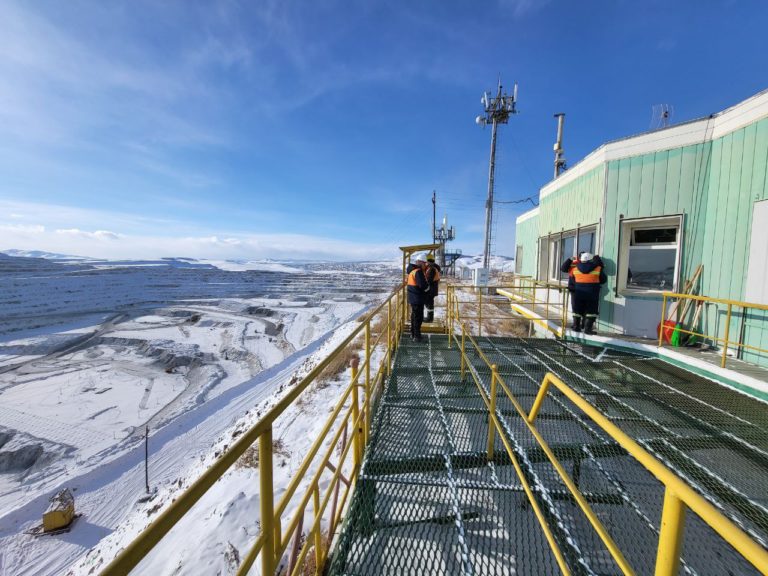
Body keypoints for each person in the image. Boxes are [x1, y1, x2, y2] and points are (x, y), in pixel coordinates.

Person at [561, 251, 607, 334]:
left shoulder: (575, 269)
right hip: (591, 292)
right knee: (591, 311)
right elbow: (603, 280)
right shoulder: (597, 267)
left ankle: (576, 327)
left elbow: (572, 278)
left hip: (578, 291)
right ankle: (587, 329)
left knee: (577, 309)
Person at [406, 257, 429, 341]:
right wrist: (428, 288)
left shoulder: (412, 271)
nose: (425, 265)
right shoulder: (418, 272)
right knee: (418, 318)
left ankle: (413, 334)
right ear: (420, 262)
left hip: (413, 297)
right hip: (417, 298)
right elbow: (423, 286)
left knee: (414, 316)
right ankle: (417, 336)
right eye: (424, 263)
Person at [423, 252, 441, 323]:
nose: (425, 263)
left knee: (429, 304)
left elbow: (428, 280)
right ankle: (429, 318)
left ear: (428, 261)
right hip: (432, 289)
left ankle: (429, 319)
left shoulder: (431, 269)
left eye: (426, 262)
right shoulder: (433, 268)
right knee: (429, 304)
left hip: (431, 290)